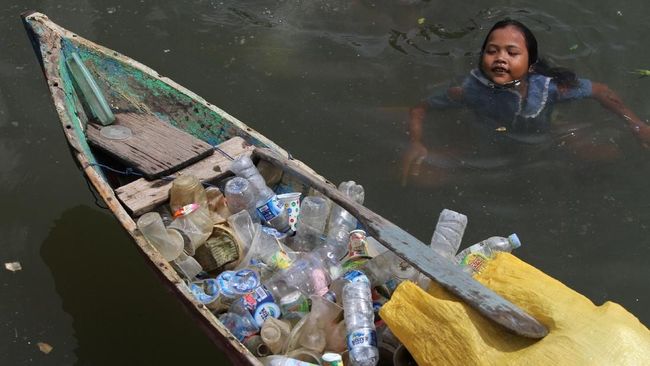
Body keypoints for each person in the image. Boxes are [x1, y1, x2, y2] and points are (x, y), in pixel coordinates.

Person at [401, 18, 650, 185]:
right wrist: (416, 142)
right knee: (420, 176)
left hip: (545, 133)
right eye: (492, 51)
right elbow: (420, 108)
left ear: (530, 64)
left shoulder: (548, 89)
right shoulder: (470, 91)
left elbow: (600, 90)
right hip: (485, 138)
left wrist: (637, 125)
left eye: (512, 52)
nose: (500, 58)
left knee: (610, 156)